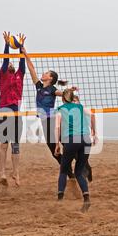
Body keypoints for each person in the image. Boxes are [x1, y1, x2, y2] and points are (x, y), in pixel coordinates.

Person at [21, 46, 77, 178]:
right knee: (54, 151)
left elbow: (62, 94)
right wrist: (25, 53)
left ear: (50, 78)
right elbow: (31, 69)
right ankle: (70, 173)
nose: (43, 74)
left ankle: (81, 165)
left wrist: (70, 90)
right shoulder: (39, 87)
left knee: (64, 145)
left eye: (46, 73)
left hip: (52, 120)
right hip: (45, 122)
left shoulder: (52, 89)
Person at [54, 89, 96, 212]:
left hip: (71, 140)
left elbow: (57, 127)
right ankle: (86, 199)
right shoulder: (80, 107)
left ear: (62, 98)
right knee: (79, 171)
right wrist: (94, 132)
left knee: (64, 169)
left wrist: (57, 144)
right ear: (73, 98)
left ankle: (60, 200)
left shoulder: (60, 109)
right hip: (85, 139)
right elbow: (93, 115)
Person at [0, 31, 26, 187]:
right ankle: (2, 172)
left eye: (11, 64)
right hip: (4, 111)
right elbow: (5, 59)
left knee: (15, 145)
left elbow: (21, 62)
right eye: (8, 64)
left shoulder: (20, 75)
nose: (10, 64)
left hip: (16, 113)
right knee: (3, 144)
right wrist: (7, 45)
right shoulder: (3, 75)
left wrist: (21, 46)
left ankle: (15, 172)